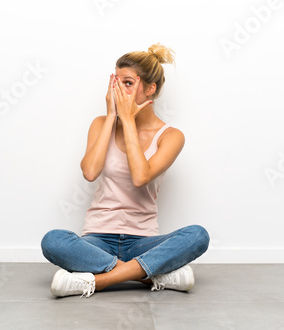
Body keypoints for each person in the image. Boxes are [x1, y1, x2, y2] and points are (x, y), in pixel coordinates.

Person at [41, 43, 210, 298]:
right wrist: (112, 117)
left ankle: (96, 281)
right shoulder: (100, 123)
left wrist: (129, 120)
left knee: (198, 236)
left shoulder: (171, 136)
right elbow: (89, 172)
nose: (120, 89)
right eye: (116, 82)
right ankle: (151, 275)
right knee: (53, 241)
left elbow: (141, 177)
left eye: (128, 83)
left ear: (151, 88)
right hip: (97, 240)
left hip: (143, 241)